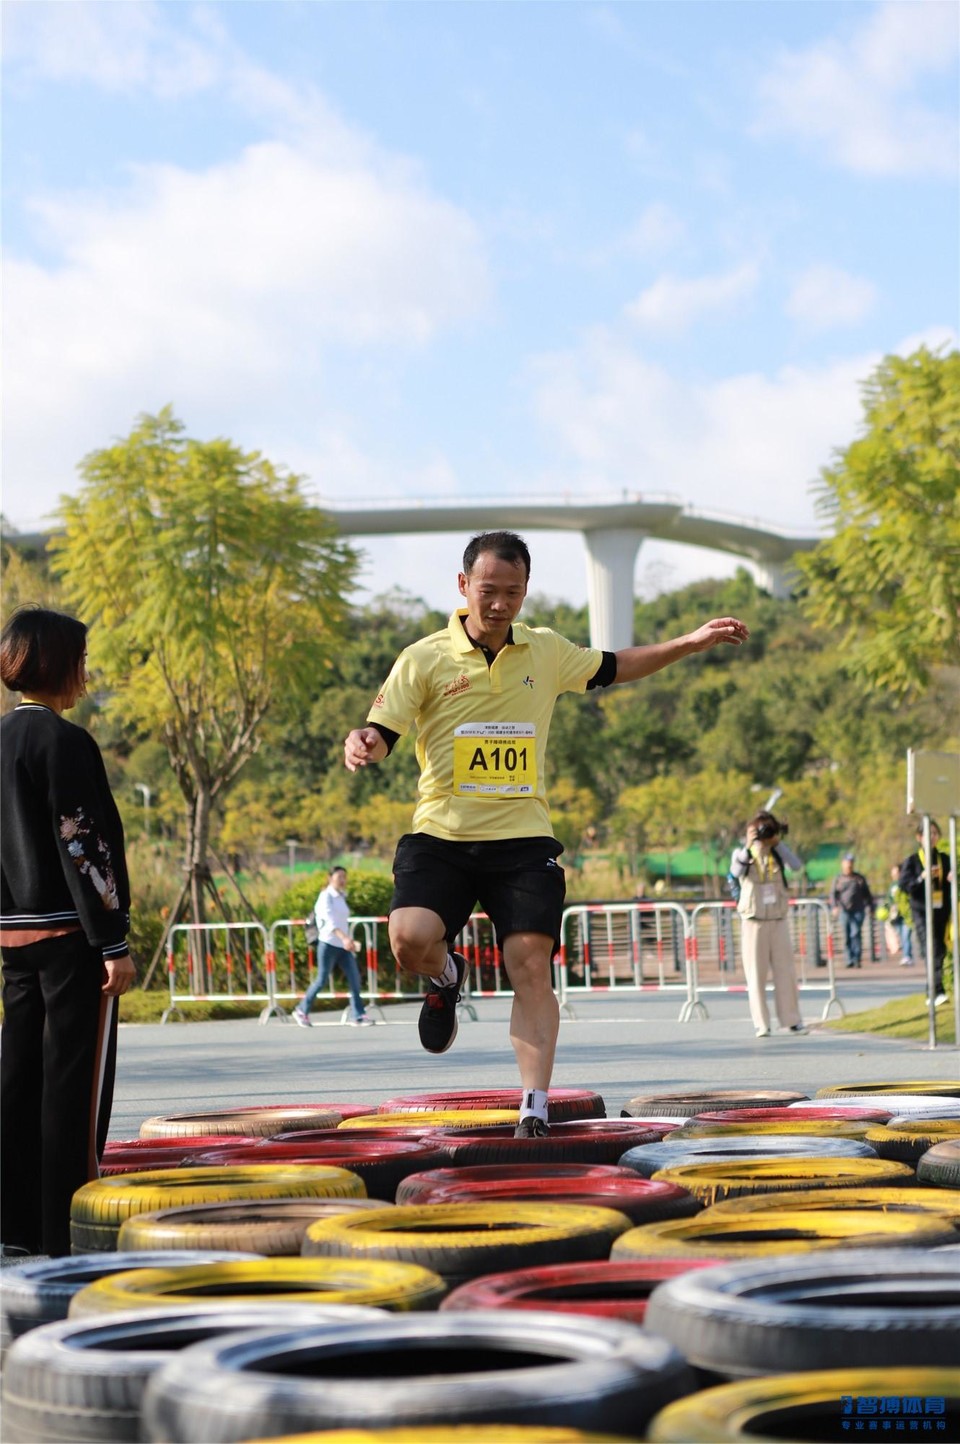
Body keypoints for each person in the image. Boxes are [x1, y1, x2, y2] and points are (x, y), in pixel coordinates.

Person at [343, 530, 749, 1136]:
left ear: (526, 590)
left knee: (528, 962)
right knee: (408, 939)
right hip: (443, 837)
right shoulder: (423, 657)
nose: (500, 603)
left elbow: (615, 665)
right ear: (463, 588)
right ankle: (444, 975)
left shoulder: (547, 651)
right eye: (488, 591)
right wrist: (365, 742)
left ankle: (534, 1107)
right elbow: (381, 729)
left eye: (513, 591)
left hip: (523, 841)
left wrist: (689, 643)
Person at [0, 606, 135, 1257]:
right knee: (71, 1092)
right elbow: (85, 849)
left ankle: (14, 1229)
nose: (86, 673)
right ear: (60, 665)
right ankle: (65, 1234)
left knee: (16, 1078)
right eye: (81, 660)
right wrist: (112, 941)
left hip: (12, 940)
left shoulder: (0, 740)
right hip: (70, 942)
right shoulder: (64, 742)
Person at [729, 812, 806, 1039]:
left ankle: (792, 1021)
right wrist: (750, 844)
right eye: (760, 830)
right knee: (756, 975)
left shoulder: (778, 854)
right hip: (754, 922)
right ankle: (761, 1024)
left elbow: (796, 865)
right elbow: (735, 872)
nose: (764, 835)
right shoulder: (742, 854)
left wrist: (777, 843)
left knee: (786, 974)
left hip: (777, 920)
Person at [293, 867, 372, 1027]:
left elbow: (342, 921)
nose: (342, 880)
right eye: (339, 876)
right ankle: (302, 1009)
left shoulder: (341, 896)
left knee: (354, 978)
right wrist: (344, 938)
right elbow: (329, 922)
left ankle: (358, 1015)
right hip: (328, 943)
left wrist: (347, 939)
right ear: (330, 878)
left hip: (343, 945)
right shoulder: (325, 896)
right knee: (321, 979)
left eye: (344, 877)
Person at [899, 822, 952, 1006]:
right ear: (919, 837)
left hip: (941, 911)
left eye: (936, 833)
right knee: (932, 949)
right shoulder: (913, 861)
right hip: (922, 912)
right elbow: (905, 886)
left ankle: (932, 993)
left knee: (939, 951)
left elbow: (949, 886)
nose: (933, 837)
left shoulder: (944, 859)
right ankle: (937, 991)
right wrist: (922, 877)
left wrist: (951, 879)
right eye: (929, 834)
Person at [828, 853, 874, 968]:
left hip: (858, 910)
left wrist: (870, 907)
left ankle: (857, 958)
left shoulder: (859, 878)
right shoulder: (838, 879)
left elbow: (867, 895)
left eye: (851, 862)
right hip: (844, 911)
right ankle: (848, 959)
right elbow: (833, 895)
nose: (849, 865)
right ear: (843, 864)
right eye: (847, 862)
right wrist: (834, 907)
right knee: (846, 935)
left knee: (856, 933)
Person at [886, 863, 914, 966]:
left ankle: (907, 956)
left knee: (906, 935)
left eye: (896, 872)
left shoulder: (906, 883)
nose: (894, 874)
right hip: (895, 916)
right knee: (902, 936)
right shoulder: (892, 886)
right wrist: (888, 908)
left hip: (906, 914)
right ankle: (907, 955)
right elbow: (888, 899)